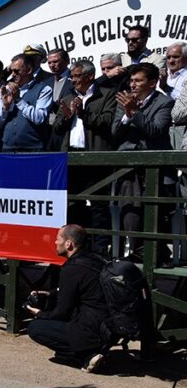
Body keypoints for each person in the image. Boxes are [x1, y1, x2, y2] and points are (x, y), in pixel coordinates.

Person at [111, 63, 175, 263]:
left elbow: (156, 131)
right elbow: (115, 132)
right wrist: (127, 114)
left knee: (152, 210)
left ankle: (151, 251)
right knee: (131, 206)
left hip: (153, 169)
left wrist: (135, 113)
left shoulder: (164, 102)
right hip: (128, 166)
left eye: (138, 81)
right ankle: (136, 248)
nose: (133, 85)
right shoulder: (124, 100)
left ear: (152, 83)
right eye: (131, 80)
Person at [52, 60, 117, 254]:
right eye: (72, 76)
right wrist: (67, 117)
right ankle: (76, 248)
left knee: (98, 206)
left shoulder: (106, 94)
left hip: (95, 159)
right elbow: (57, 128)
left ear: (90, 76)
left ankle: (99, 251)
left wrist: (83, 113)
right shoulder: (68, 97)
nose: (73, 80)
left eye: (77, 76)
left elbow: (108, 122)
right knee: (72, 205)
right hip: (71, 159)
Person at [25, 225, 109, 372]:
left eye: (58, 239)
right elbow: (81, 289)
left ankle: (85, 355)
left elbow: (62, 312)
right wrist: (51, 293)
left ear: (68, 244)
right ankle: (87, 351)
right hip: (108, 326)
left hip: (91, 330)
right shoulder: (95, 259)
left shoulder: (71, 269)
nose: (55, 242)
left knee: (35, 328)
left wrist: (39, 314)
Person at [0, 53, 54, 151]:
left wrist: (18, 100)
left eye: (16, 71)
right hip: (8, 148)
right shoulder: (7, 90)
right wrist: (5, 108)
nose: (13, 74)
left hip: (32, 149)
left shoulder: (44, 90)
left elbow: (39, 118)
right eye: (11, 71)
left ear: (29, 70)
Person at [160, 42, 186, 149]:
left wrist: (166, 88)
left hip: (181, 127)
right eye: (168, 57)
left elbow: (182, 104)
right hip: (160, 127)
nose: (171, 61)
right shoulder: (160, 75)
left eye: (176, 57)